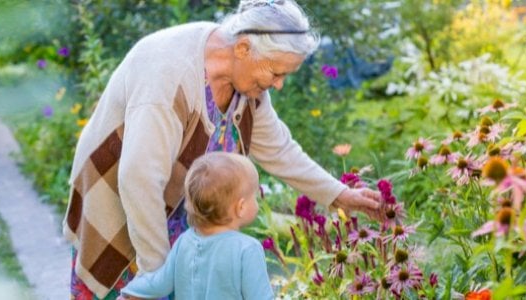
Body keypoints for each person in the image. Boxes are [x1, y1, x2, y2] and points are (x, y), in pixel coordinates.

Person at [63, 0, 381, 298]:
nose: (279, 84)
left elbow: (280, 150)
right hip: (125, 208)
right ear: (243, 48)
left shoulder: (244, 80)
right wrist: (156, 279)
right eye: (277, 73)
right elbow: (139, 180)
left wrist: (340, 195)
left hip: (184, 218)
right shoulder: (169, 73)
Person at [117, 152, 273, 300]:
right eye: (254, 195)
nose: (257, 199)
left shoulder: (184, 241)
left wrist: (129, 293)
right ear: (241, 207)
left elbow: (159, 283)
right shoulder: (247, 249)